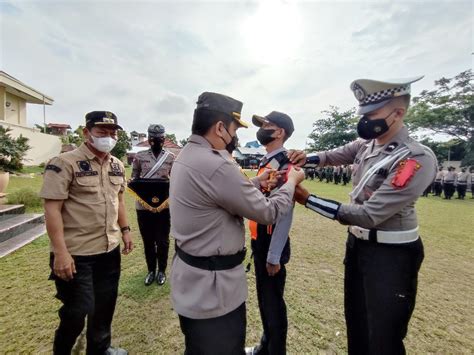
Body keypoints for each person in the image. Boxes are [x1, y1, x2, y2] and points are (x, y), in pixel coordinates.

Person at [291, 76, 437, 355]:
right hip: (358, 246)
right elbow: (332, 156)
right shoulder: (366, 145)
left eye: (372, 115)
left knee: (383, 336)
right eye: (363, 114)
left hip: (391, 255)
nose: (365, 121)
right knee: (356, 325)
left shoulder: (415, 158)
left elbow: (370, 215)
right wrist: (303, 158)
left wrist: (308, 200)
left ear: (398, 113)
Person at [169, 92, 305, 355]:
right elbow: (268, 212)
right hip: (213, 289)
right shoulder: (217, 164)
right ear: (220, 128)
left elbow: (217, 192)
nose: (236, 135)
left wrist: (256, 182)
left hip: (194, 279)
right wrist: (290, 183)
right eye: (234, 129)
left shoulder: (188, 154)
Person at [40, 111, 133, 355]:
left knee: (104, 306)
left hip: (108, 249)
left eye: (113, 133)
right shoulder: (63, 163)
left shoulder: (117, 164)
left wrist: (125, 230)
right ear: (86, 132)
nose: (108, 137)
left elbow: (119, 201)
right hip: (76, 253)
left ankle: (100, 349)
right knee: (77, 310)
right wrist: (60, 253)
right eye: (102, 132)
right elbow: (52, 209)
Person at [246, 111, 295, 355]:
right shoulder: (268, 161)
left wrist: (274, 254)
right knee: (264, 300)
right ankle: (266, 346)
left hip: (271, 240)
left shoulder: (284, 163)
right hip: (259, 239)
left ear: (280, 132)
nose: (263, 128)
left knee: (273, 303)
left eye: (268, 125)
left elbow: (285, 212)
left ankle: (275, 351)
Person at [131, 124, 175, 286]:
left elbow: (175, 179)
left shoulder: (170, 157)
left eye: (160, 138)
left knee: (163, 240)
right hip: (143, 207)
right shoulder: (139, 156)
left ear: (164, 139)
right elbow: (134, 178)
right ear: (149, 139)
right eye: (154, 138)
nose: (157, 141)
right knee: (148, 240)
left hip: (164, 206)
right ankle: (151, 270)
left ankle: (162, 270)